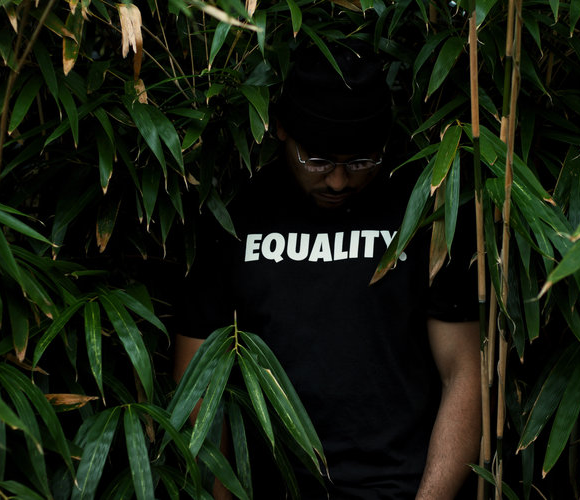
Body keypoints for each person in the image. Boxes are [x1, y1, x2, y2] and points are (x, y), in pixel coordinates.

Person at [173, 40, 481, 499]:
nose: (338, 181)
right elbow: (198, 384)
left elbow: (463, 372)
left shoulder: (426, 211)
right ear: (280, 129)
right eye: (317, 161)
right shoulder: (231, 217)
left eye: (360, 162)